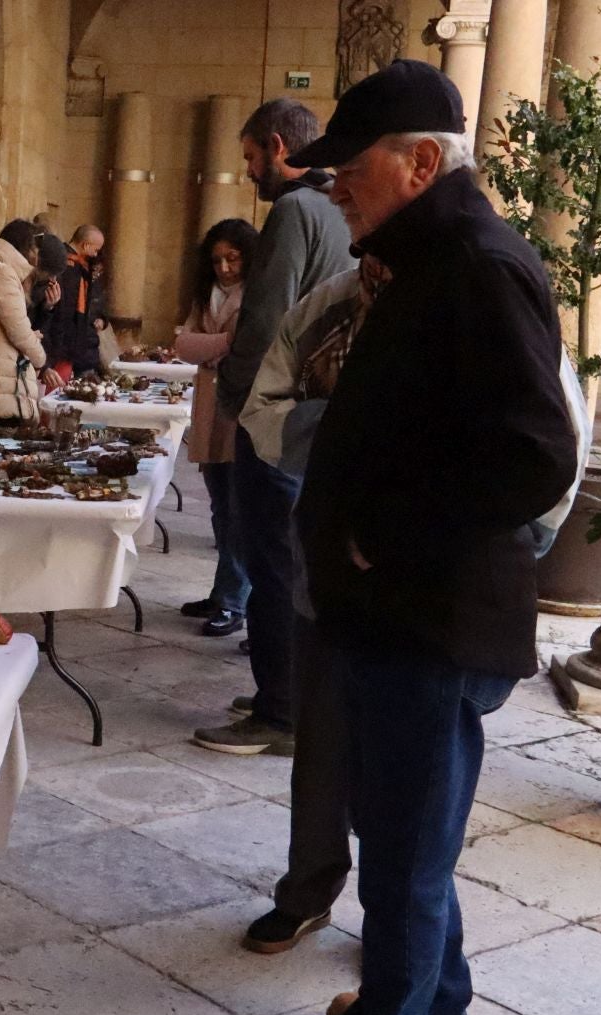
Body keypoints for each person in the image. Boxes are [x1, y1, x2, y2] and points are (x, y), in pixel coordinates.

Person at [284, 61, 575, 1015]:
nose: (334, 187)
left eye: (348, 169)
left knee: (406, 853)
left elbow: (538, 451)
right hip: (394, 610)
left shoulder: (477, 264)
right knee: (402, 832)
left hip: (429, 613)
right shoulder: (429, 256)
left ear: (417, 163)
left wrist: (391, 530)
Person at [233, 256, 388, 957]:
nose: (344, 198)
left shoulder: (484, 293)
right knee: (322, 741)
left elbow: (549, 442)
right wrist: (353, 434)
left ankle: (401, 926)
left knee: (411, 770)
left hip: (434, 589)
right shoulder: (331, 303)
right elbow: (263, 407)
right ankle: (308, 890)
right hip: (328, 567)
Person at [193, 98, 357, 757]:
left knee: (270, 562)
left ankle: (278, 712)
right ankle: (285, 689)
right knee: (293, 561)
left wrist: (236, 398)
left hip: (278, 420)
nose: (249, 171)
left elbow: (265, 320)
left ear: (279, 147)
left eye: (252, 157)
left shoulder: (294, 210)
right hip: (318, 420)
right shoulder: (338, 210)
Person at [173, 219, 259, 638]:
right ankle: (222, 589)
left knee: (241, 509)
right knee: (220, 506)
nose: (224, 268)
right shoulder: (204, 294)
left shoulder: (259, 292)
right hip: (210, 405)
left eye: (233, 258)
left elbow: (247, 344)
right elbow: (183, 344)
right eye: (217, 260)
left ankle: (234, 600)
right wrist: (222, 344)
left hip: (239, 406)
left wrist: (215, 346)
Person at [0, 219, 63, 427]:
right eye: (34, 249)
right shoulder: (2, 273)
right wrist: (40, 359)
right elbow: (18, 331)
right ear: (26, 248)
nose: (35, 257)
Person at [43, 225, 108, 380]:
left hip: (76, 342)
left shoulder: (84, 266)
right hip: (63, 342)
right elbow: (65, 310)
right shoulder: (65, 265)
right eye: (96, 249)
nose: (96, 254)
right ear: (85, 245)